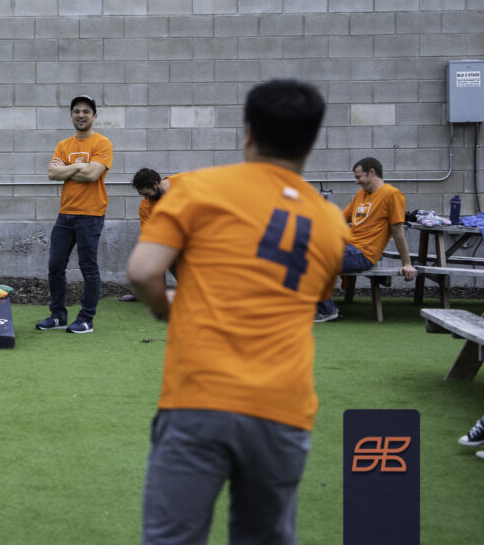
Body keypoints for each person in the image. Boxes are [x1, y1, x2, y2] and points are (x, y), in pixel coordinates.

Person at [127, 79, 349, 544]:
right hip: (283, 406)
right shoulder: (331, 222)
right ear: (312, 141)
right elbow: (309, 294)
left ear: (248, 132)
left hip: (199, 395)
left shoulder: (198, 189)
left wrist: (166, 308)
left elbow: (144, 272)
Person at [37, 95, 113, 334]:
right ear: (71, 116)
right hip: (65, 214)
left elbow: (92, 175)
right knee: (55, 265)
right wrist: (80, 166)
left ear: (94, 116)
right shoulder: (64, 145)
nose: (81, 115)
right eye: (77, 111)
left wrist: (67, 169)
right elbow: (52, 174)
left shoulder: (102, 143)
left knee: (88, 267)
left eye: (86, 111)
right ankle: (58, 316)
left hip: (90, 214)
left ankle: (86, 319)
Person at [314, 156, 417, 322]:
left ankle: (326, 310)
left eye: (358, 177)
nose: (356, 182)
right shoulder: (361, 195)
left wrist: (407, 263)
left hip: (363, 254)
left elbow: (397, 231)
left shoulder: (392, 194)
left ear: (371, 173)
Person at [120, 168, 180, 302]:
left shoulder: (182, 182)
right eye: (143, 195)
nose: (146, 198)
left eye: (147, 194)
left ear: (156, 183)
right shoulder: (145, 206)